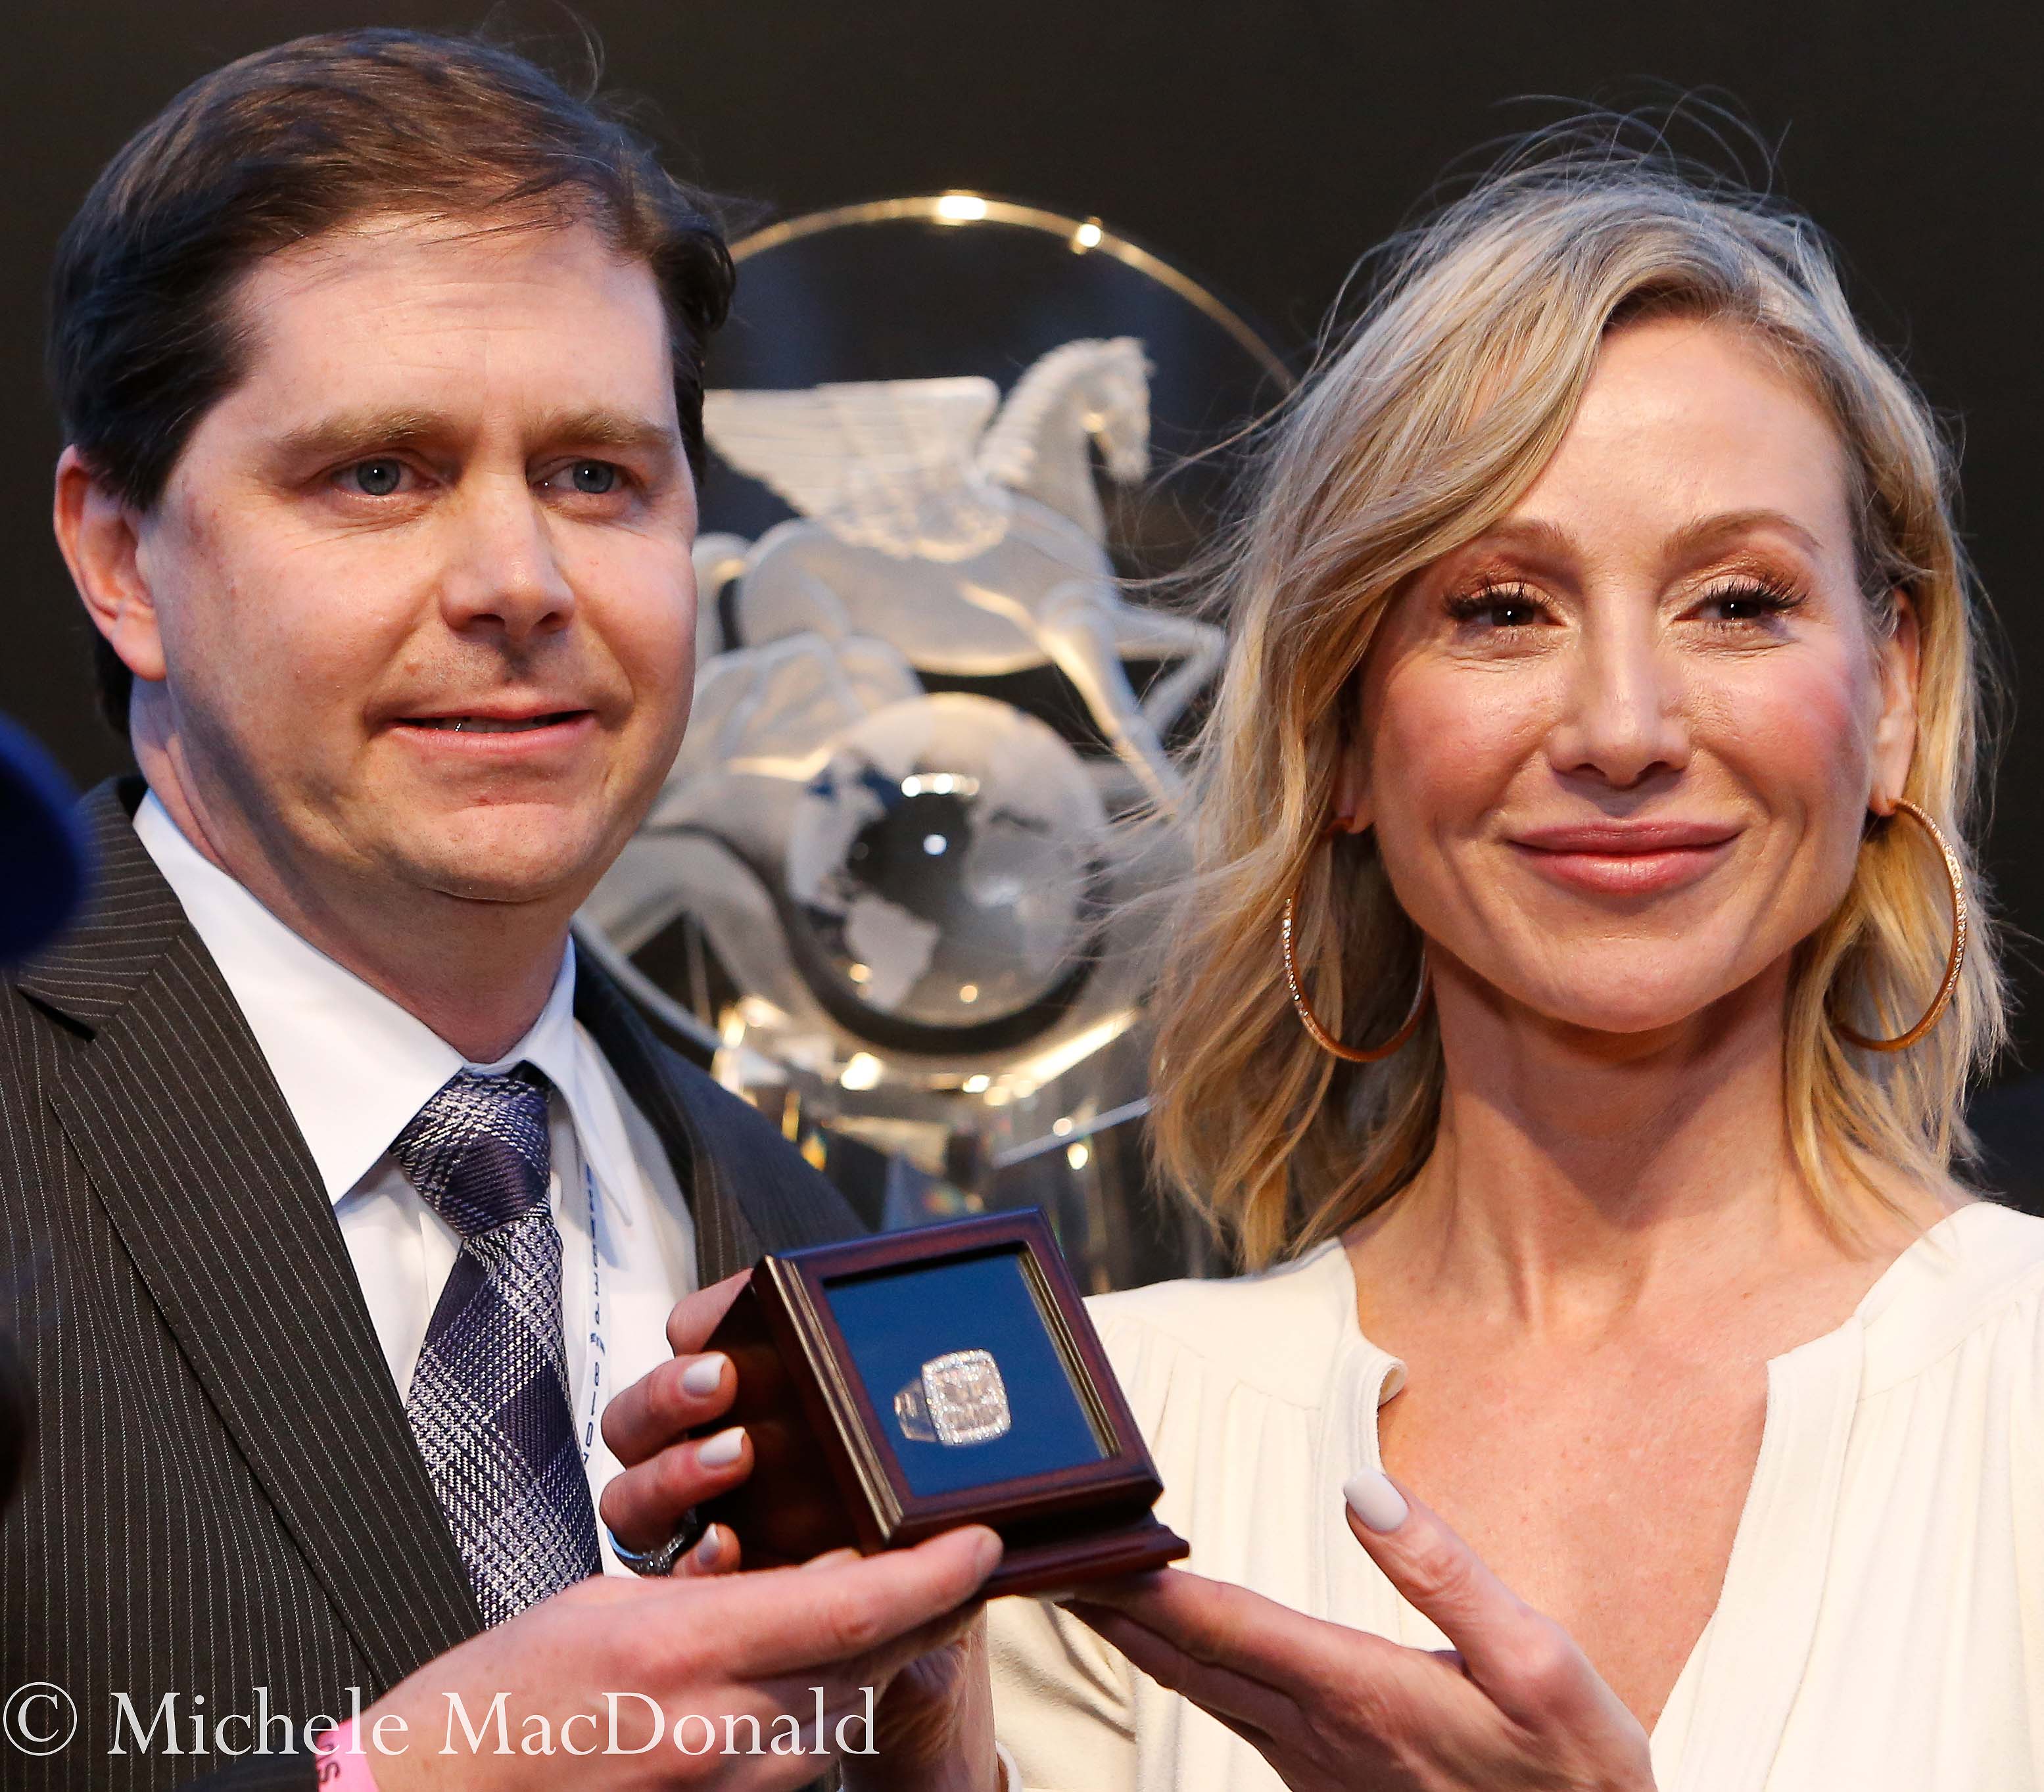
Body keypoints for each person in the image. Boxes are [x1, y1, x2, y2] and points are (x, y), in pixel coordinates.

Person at [634, 138, 2044, 1789]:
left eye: (1734, 602)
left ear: (1889, 688)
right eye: (1500, 609)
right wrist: (918, 1733)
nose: (1622, 729)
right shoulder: (1115, 1444)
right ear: (1346, 728)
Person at [3, 28, 999, 1791]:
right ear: (117, 558)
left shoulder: (796, 1217)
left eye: (594, 475)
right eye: (377, 474)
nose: (518, 583)